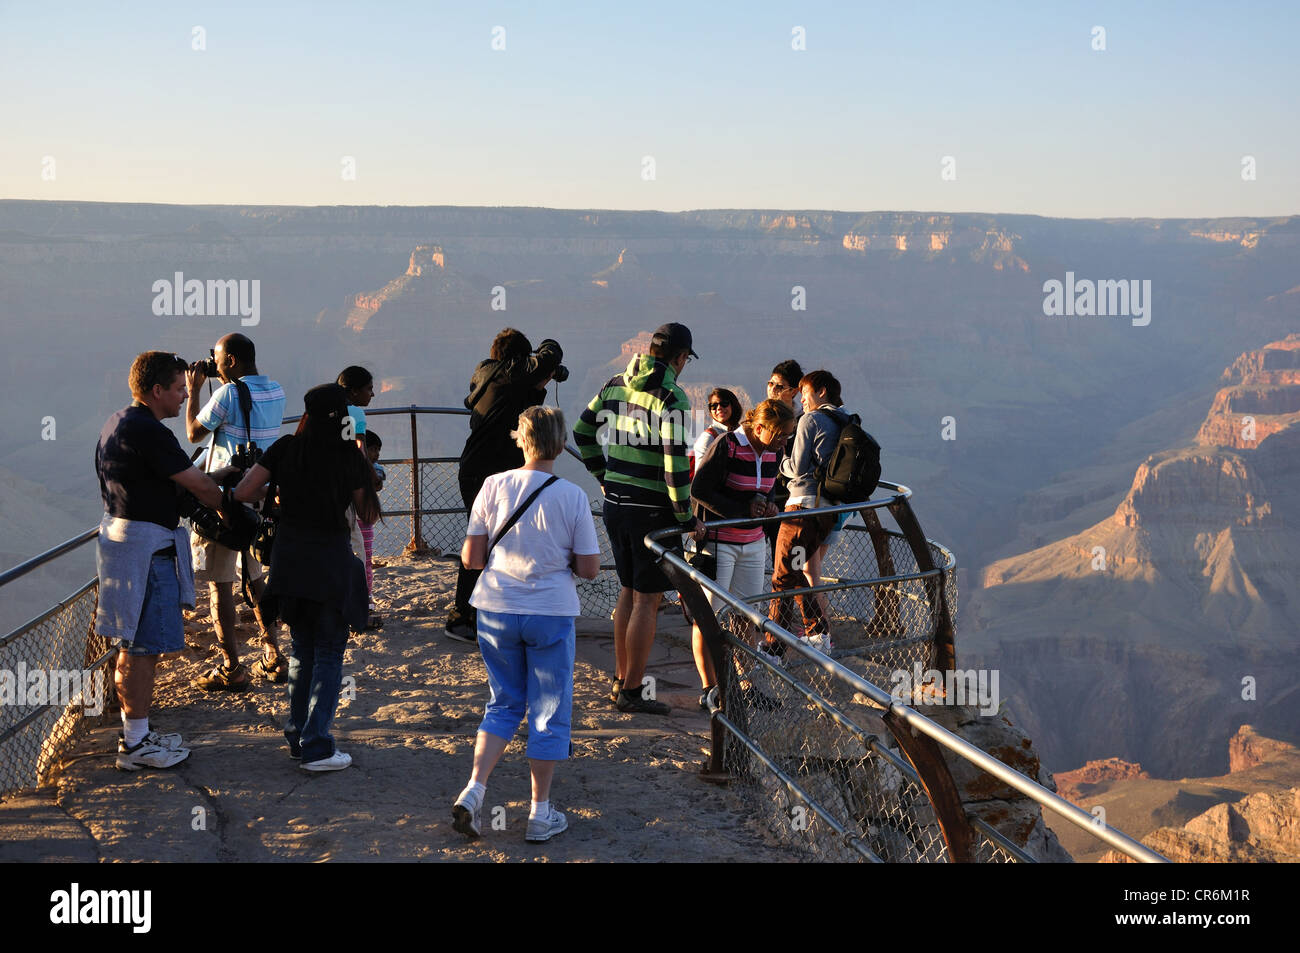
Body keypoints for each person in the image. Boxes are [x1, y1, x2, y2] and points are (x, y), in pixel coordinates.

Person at [451, 406, 601, 842]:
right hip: (550, 612)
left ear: (521, 438)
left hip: (495, 608)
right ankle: (539, 813)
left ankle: (474, 792)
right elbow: (590, 569)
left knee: (503, 703)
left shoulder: (492, 485)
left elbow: (472, 560)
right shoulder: (572, 495)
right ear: (559, 444)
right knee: (548, 709)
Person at [231, 384, 380, 772]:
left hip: (289, 562)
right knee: (329, 652)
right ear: (343, 418)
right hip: (329, 562)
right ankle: (317, 746)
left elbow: (244, 491)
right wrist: (362, 457)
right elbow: (367, 515)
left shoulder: (285, 448)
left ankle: (298, 736)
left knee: (302, 649)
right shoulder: (348, 456)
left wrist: (279, 495)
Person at [95, 351, 225, 770]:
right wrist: (230, 503)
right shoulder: (150, 431)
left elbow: (164, 480)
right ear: (156, 391)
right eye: (179, 389)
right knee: (143, 647)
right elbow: (195, 483)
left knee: (135, 645)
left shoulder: (119, 421)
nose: (184, 395)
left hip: (124, 542)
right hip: (146, 552)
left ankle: (139, 733)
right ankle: (135, 746)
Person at [573, 322, 702, 715]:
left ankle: (620, 679)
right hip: (653, 512)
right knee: (648, 600)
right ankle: (632, 692)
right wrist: (685, 516)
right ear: (680, 358)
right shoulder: (673, 397)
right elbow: (675, 467)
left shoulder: (615, 383)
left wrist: (603, 477)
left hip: (617, 504)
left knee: (627, 592)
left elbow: (581, 432)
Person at [447, 329, 564, 642]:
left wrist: (537, 385)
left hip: (478, 470)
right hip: (490, 473)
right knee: (486, 541)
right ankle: (463, 617)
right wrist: (545, 352)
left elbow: (516, 408)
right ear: (518, 360)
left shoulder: (488, 374)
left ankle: (475, 613)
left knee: (488, 539)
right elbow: (550, 354)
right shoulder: (508, 375)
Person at [184, 333, 287, 689]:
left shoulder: (226, 394)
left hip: (224, 502)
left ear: (230, 361)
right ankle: (274, 653)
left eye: (216, 359)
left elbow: (195, 434)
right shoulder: (277, 390)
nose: (211, 365)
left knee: (221, 586)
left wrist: (194, 389)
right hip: (258, 497)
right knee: (255, 577)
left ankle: (231, 668)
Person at [689, 399, 795, 708]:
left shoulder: (774, 452)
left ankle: (746, 686)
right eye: (779, 434)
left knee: (745, 617)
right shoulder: (728, 445)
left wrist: (770, 504)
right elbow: (700, 490)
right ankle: (711, 688)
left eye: (787, 435)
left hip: (753, 543)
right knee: (709, 616)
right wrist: (741, 510)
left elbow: (767, 488)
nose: (784, 441)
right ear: (759, 427)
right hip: (720, 543)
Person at [768, 369, 851, 654]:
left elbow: (798, 468)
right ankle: (818, 634)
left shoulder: (812, 419)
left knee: (781, 576)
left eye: (805, 393)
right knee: (795, 570)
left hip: (802, 507)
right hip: (828, 511)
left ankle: (773, 647)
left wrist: (780, 463)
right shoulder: (844, 420)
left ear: (822, 391)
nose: (802, 400)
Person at [762, 360, 803, 561]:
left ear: (794, 392)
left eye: (779, 386)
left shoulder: (802, 422)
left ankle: (794, 594)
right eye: (770, 384)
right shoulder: (760, 418)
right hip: (761, 502)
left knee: (789, 563)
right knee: (755, 561)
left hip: (789, 504)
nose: (772, 390)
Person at [689, 387, 742, 478]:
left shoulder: (741, 433)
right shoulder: (708, 437)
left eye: (724, 404)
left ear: (733, 405)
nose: (719, 408)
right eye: (713, 406)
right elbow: (700, 478)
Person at [362, 430, 385, 629]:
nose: (376, 454)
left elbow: (377, 484)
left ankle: (367, 597)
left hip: (366, 520)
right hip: (357, 519)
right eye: (372, 449)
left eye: (378, 450)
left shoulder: (375, 469)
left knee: (366, 561)